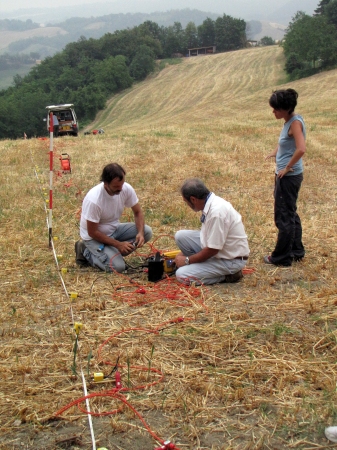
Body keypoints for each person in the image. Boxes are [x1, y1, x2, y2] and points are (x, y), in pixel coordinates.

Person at [75, 163, 152, 272]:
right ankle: (85, 250)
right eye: (116, 186)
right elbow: (92, 232)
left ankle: (111, 252)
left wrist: (140, 233)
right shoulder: (94, 200)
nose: (120, 189)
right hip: (94, 238)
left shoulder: (126, 188)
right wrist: (118, 244)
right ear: (106, 183)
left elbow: (138, 212)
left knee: (146, 231)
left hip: (114, 230)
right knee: (118, 267)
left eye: (122, 184)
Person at [174, 178, 249, 285]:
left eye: (187, 202)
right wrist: (182, 255)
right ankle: (203, 267)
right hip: (221, 250)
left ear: (193, 199)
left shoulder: (216, 213)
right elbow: (209, 240)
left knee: (182, 275)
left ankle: (228, 276)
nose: (188, 206)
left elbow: (212, 249)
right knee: (180, 236)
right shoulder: (211, 203)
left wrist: (187, 260)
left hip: (230, 260)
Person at [264, 88, 306, 266]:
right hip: (288, 176)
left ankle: (281, 257)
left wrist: (287, 168)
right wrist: (275, 153)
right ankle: (296, 251)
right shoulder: (289, 121)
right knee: (290, 212)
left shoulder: (295, 123)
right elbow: (285, 144)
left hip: (288, 177)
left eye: (276, 109)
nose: (273, 111)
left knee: (284, 217)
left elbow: (301, 148)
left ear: (286, 109)